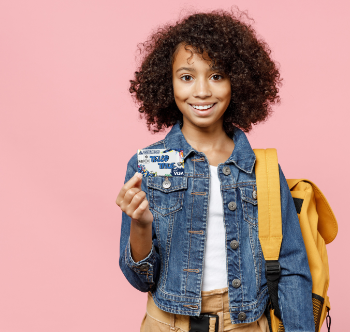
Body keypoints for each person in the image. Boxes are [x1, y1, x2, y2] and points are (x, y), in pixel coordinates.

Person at [116, 8, 315, 332]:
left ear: (238, 81)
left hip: (245, 323)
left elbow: (292, 267)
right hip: (168, 323)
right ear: (168, 84)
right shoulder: (151, 164)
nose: (203, 90)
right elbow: (140, 279)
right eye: (187, 76)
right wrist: (141, 225)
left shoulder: (260, 169)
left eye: (217, 75)